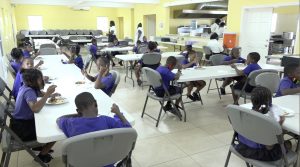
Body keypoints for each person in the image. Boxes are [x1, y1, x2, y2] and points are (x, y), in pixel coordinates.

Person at [56, 92, 131, 167]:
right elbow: (128, 130)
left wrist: (77, 115)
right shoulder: (107, 120)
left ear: (78, 111)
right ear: (95, 103)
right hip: (107, 163)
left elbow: (59, 119)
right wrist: (118, 113)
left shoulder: (71, 123)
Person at [10, 69, 57, 163]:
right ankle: (42, 155)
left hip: (17, 125)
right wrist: (47, 94)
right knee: (55, 131)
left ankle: (38, 147)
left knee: (47, 122)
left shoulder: (25, 86)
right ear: (32, 81)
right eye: (40, 79)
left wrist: (50, 95)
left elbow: (39, 93)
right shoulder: (29, 92)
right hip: (22, 129)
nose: (42, 81)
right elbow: (35, 108)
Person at [235, 86, 291, 161]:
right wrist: (278, 126)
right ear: (269, 102)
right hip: (258, 153)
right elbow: (269, 146)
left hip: (241, 147)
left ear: (252, 100)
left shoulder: (243, 114)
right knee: (288, 144)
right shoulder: (265, 121)